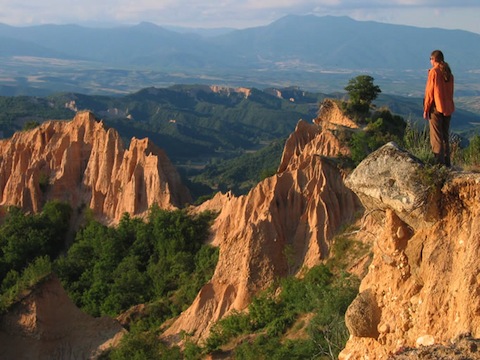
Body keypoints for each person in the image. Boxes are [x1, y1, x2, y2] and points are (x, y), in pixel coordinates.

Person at [423, 50, 455, 167]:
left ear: (433, 59)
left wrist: (426, 108)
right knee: (445, 136)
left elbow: (430, 93)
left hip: (436, 108)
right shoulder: (449, 73)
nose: (430, 61)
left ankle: (439, 165)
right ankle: (447, 163)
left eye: (430, 59)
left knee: (436, 137)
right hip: (448, 108)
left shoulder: (434, 72)